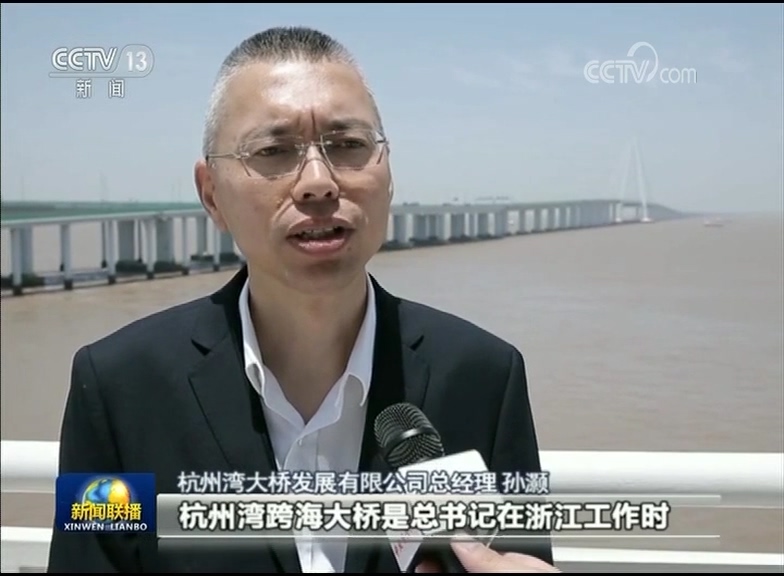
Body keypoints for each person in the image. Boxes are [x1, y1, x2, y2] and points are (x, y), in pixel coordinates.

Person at [47, 26, 557, 573]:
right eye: (273, 151)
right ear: (211, 194)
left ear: (389, 175)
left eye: (349, 145)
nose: (318, 182)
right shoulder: (119, 388)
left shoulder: (484, 378)